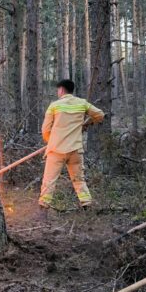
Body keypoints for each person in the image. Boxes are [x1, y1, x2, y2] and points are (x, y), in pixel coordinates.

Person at [39, 79, 104, 210]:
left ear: (61, 90)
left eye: (58, 90)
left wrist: (50, 141)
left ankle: (43, 208)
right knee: (79, 179)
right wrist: (87, 123)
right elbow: (100, 115)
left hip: (56, 150)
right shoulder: (82, 104)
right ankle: (86, 205)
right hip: (75, 150)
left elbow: (45, 130)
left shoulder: (54, 106)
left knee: (49, 180)